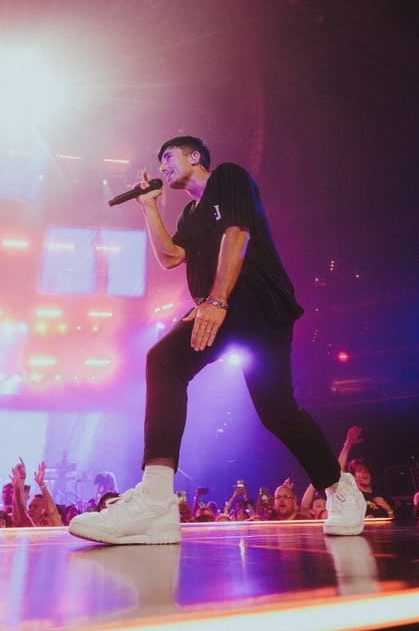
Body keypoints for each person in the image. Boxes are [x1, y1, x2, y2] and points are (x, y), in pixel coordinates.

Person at [69, 136, 366, 545]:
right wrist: (149, 207)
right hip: (220, 309)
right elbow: (171, 256)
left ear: (194, 157)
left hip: (258, 305)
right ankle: (156, 501)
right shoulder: (190, 214)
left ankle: (340, 487)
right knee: (165, 361)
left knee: (277, 411)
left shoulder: (228, 177)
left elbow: (237, 232)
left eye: (168, 157)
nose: (163, 167)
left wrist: (216, 299)